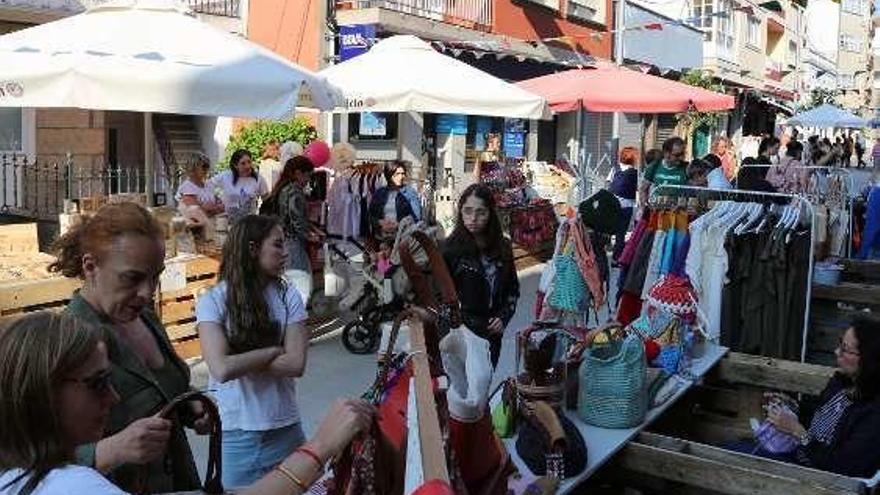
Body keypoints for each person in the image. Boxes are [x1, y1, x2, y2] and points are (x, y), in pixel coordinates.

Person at [0, 311, 374, 495]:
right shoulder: (73, 486)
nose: (112, 398)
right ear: (43, 393)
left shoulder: (19, 475)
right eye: (97, 384)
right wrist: (319, 448)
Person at [46, 202, 203, 492]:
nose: (147, 292)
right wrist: (111, 450)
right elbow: (32, 457)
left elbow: (156, 392)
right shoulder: (68, 340)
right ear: (90, 266)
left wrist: (188, 405)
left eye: (155, 276)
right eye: (132, 278)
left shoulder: (145, 317)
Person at [196, 215, 311, 489]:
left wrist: (240, 356)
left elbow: (296, 364)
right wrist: (273, 351)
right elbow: (221, 369)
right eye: (277, 245)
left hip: (286, 428)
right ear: (252, 249)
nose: (285, 253)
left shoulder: (288, 295)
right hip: (237, 433)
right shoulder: (214, 300)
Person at [741, 317, 880, 478]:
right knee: (734, 449)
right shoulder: (843, 384)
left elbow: (842, 468)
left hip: (814, 479)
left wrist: (797, 432)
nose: (836, 352)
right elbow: (818, 418)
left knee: (734, 457)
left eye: (845, 349)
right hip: (798, 457)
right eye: (839, 344)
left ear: (868, 359)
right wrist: (792, 405)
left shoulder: (873, 414)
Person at [441, 184, 520, 367]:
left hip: (491, 334)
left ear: (490, 214)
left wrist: (503, 317)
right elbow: (440, 296)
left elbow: (512, 290)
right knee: (461, 391)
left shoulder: (503, 247)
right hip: (459, 333)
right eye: (467, 211)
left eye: (480, 212)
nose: (473, 219)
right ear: (460, 212)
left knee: (482, 388)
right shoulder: (449, 249)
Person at [264, 156, 322, 303]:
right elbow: (297, 219)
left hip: (280, 241)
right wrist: (311, 235)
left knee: (286, 282)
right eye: (308, 175)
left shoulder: (281, 189)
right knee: (300, 283)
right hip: (292, 243)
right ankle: (294, 319)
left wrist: (312, 228)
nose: (308, 180)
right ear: (298, 173)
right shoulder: (294, 191)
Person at [367, 160, 421, 240]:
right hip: (382, 238)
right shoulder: (379, 192)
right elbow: (370, 216)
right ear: (389, 175)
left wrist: (399, 224)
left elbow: (417, 217)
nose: (401, 177)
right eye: (397, 174)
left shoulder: (410, 192)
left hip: (403, 238)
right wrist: (380, 222)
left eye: (403, 174)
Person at [212, 149, 269, 220]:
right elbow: (207, 185)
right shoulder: (225, 176)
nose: (247, 166)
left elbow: (267, 201)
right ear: (235, 165)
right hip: (228, 222)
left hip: (249, 222)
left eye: (249, 162)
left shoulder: (258, 179)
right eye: (243, 163)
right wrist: (216, 199)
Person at [176, 154, 223, 236]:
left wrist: (209, 208)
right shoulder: (187, 187)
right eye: (204, 167)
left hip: (210, 228)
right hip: (194, 231)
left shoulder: (208, 185)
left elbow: (221, 206)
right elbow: (195, 213)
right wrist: (213, 209)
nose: (206, 169)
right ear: (193, 168)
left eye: (207, 166)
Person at [606, 146, 639, 261]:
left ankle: (606, 246)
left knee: (608, 227)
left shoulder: (615, 168)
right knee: (621, 233)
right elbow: (639, 188)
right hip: (627, 206)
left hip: (612, 203)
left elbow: (608, 183)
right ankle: (617, 258)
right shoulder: (635, 173)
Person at [639, 137, 688, 203]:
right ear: (666, 153)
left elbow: (697, 189)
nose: (681, 157)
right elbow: (643, 189)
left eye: (683, 154)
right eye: (677, 155)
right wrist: (644, 207)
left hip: (679, 210)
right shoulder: (654, 166)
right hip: (658, 209)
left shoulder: (687, 167)